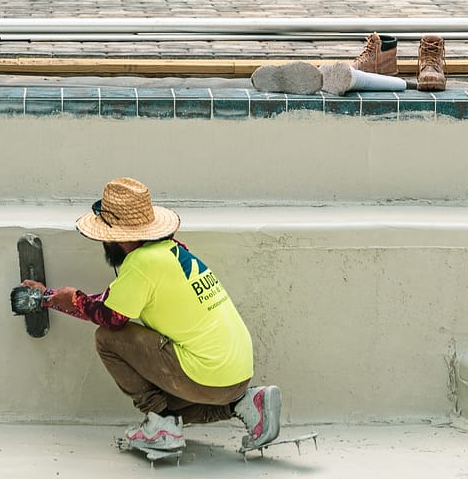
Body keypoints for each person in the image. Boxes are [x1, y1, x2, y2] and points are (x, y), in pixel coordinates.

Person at [23, 176, 281, 456]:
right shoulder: (172, 250)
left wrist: (71, 299)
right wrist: (53, 298)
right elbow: (110, 302)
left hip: (206, 376)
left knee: (107, 339)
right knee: (172, 405)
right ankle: (247, 403)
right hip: (235, 377)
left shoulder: (141, 263)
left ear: (117, 237)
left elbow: (111, 318)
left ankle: (161, 427)